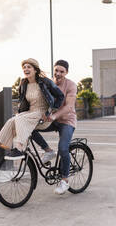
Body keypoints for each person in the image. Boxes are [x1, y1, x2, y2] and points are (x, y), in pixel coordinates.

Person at [0, 58, 64, 160]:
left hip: (43, 114)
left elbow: (60, 96)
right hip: (31, 113)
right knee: (12, 120)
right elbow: (23, 102)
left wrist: (51, 112)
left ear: (35, 70)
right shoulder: (24, 84)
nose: (26, 69)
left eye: (29, 67)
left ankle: (19, 149)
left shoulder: (45, 82)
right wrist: (20, 113)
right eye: (24, 67)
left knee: (19, 119)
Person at [32, 59, 77, 195]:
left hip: (67, 121)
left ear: (66, 72)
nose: (58, 73)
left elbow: (69, 106)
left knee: (63, 148)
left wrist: (54, 116)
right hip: (51, 119)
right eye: (56, 70)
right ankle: (48, 150)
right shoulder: (48, 83)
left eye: (61, 71)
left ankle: (65, 180)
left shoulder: (71, 85)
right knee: (30, 129)